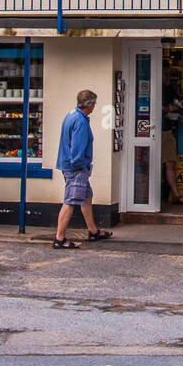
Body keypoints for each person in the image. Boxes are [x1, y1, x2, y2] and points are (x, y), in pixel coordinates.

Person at [54, 89, 113, 248]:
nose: (94, 107)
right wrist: (81, 167)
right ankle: (59, 239)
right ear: (89, 104)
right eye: (94, 103)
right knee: (70, 201)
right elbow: (77, 149)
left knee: (87, 197)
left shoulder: (71, 115)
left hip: (69, 165)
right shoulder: (80, 121)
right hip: (76, 168)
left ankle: (93, 231)